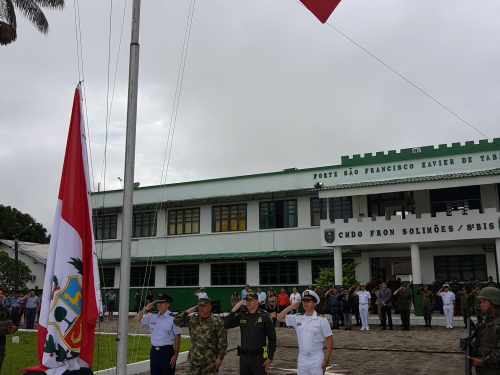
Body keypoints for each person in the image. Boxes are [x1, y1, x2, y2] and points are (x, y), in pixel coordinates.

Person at [277, 290, 333, 375]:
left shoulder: (321, 320)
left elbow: (330, 341)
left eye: (308, 301)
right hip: (302, 358)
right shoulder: (297, 318)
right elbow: (279, 318)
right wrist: (292, 306)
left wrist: (326, 360)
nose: (305, 303)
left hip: (316, 358)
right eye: (304, 301)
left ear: (314, 304)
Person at [225, 291, 276, 374]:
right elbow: (226, 324)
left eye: (251, 300)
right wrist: (234, 310)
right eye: (247, 300)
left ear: (257, 301)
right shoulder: (242, 315)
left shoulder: (264, 316)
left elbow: (272, 338)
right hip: (244, 358)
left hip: (259, 358)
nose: (248, 302)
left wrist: (270, 357)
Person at [174, 298, 228, 374]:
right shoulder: (193, 319)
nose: (201, 308)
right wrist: (186, 312)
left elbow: (222, 341)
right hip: (194, 361)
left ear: (209, 307)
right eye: (200, 306)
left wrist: (220, 358)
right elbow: (176, 321)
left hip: (209, 362)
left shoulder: (217, 322)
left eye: (204, 306)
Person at [134, 293, 181, 375]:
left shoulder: (173, 318)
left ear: (167, 304)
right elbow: (136, 320)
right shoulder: (152, 316)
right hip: (154, 352)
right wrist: (145, 309)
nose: (159, 305)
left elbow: (177, 336)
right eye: (158, 303)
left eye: (162, 303)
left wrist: (175, 355)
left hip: (166, 352)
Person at [467, 287, 500, 374]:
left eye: (484, 302)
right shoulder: (487, 320)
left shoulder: (498, 323)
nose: (481, 305)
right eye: (481, 302)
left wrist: (482, 361)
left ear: (494, 303)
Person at [0, 287, 17, 374]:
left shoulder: (5, 309)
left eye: (2, 294)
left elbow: (11, 324)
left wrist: (14, 328)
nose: (0, 295)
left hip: (1, 344)